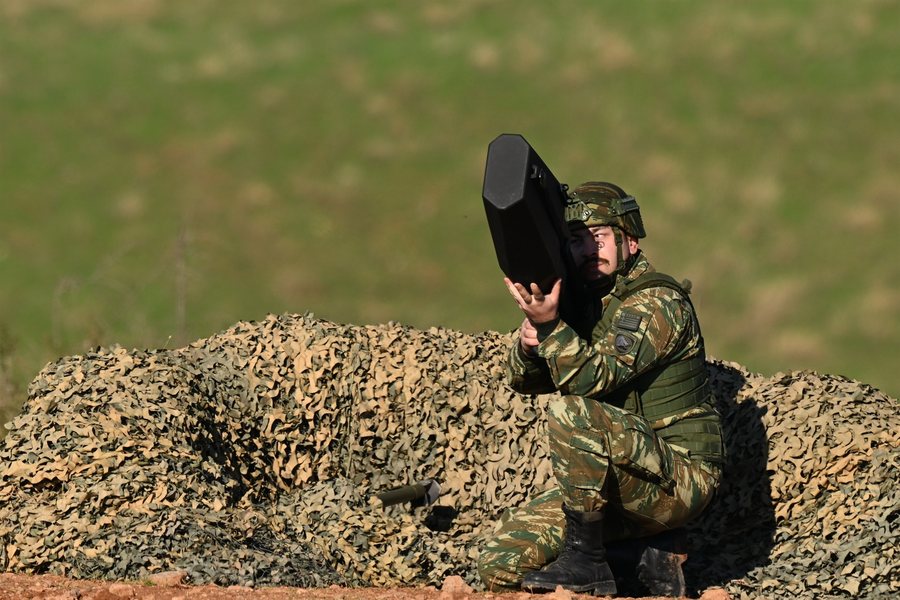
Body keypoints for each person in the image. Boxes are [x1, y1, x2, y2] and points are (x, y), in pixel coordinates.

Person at [477, 182, 724, 596]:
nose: (589, 249)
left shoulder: (657, 302)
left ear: (630, 240)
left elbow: (593, 380)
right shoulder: (589, 304)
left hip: (680, 478)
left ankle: (587, 560)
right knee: (499, 564)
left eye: (599, 236)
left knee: (571, 412)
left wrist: (552, 328)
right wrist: (531, 341)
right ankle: (642, 558)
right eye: (577, 240)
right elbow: (523, 381)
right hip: (620, 477)